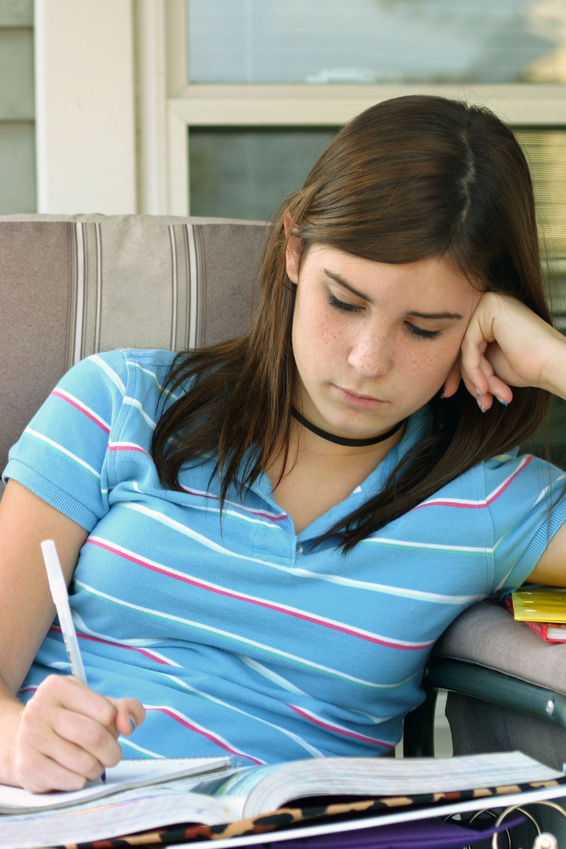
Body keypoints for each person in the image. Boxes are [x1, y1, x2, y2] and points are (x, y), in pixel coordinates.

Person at [2, 94, 566, 795]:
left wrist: (554, 361)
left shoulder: (487, 501)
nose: (366, 360)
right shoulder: (119, 401)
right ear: (295, 249)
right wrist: (18, 743)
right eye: (345, 301)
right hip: (68, 813)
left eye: (425, 328)